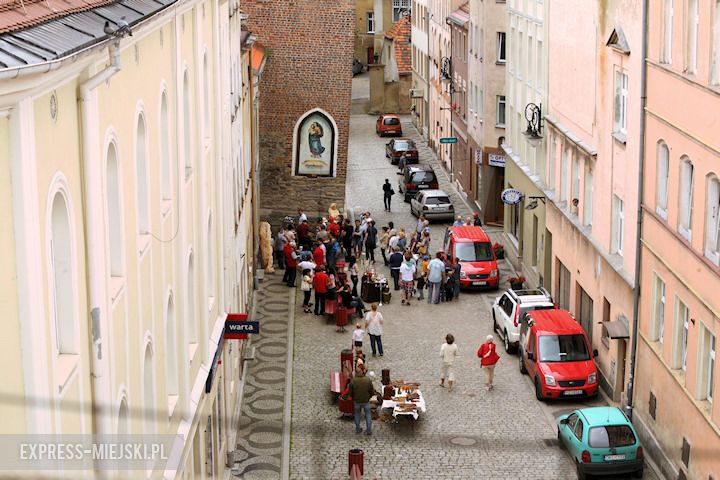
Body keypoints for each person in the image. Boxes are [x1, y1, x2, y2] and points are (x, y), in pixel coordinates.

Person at [348, 366, 374, 435]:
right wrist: (369, 397)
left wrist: (353, 398)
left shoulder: (353, 381)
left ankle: (358, 429)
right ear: (362, 371)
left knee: (357, 414)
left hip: (357, 401)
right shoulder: (368, 380)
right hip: (366, 401)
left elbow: (350, 392)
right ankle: (369, 430)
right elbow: (372, 391)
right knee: (368, 415)